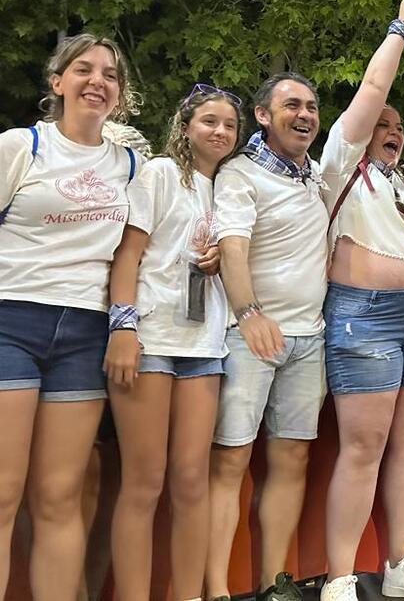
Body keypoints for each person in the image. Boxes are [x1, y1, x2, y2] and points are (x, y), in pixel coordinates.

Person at [318, 0, 404, 601]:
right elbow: (371, 92)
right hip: (364, 318)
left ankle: (402, 562)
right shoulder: (340, 167)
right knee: (363, 445)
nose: (393, 133)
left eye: (400, 129)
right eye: (385, 126)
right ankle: (340, 577)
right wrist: (403, 28)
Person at [0, 34, 141, 599]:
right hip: (11, 319)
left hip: (86, 331)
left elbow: (140, 247)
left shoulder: (132, 163)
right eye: (83, 69)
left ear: (119, 93)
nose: (97, 81)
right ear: (57, 82)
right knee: (4, 491)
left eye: (110, 74)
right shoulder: (21, 146)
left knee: (59, 496)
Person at [103, 85, 243, 600]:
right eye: (209, 121)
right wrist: (123, 326)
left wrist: (219, 262)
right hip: (153, 337)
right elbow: (128, 254)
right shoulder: (161, 173)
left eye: (229, 124)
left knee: (191, 481)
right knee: (144, 482)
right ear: (185, 127)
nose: (220, 132)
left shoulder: (230, 187)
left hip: (205, 345)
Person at [205, 72, 329, 601]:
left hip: (310, 337)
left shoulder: (316, 175)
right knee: (230, 461)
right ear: (262, 115)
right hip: (249, 336)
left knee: (291, 460)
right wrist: (248, 312)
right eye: (291, 105)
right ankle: (213, 589)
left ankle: (273, 584)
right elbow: (231, 246)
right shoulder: (240, 173)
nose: (304, 115)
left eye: (311, 106)